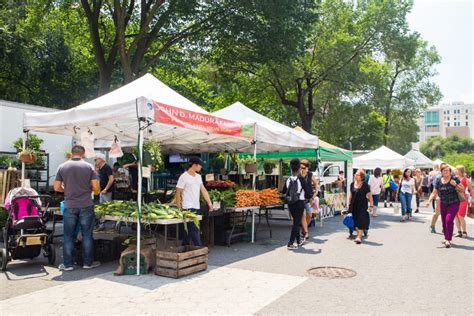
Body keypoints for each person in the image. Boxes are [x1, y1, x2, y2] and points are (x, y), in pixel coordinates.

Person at [54, 145, 101, 271]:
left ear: (71, 153)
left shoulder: (62, 167)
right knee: (87, 235)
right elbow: (96, 187)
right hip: (86, 204)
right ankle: (87, 263)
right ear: (83, 154)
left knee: (68, 235)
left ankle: (68, 264)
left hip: (69, 205)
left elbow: (56, 187)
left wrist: (67, 191)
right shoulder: (89, 167)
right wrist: (88, 190)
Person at [175, 157, 213, 246]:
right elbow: (178, 192)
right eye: (200, 165)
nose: (201, 167)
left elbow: (203, 190)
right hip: (187, 207)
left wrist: (209, 203)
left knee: (189, 230)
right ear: (195, 165)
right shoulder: (184, 177)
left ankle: (184, 248)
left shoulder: (198, 177)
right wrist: (178, 207)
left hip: (196, 206)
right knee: (194, 229)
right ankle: (200, 248)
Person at [426, 163, 464, 248]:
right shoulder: (439, 180)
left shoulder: (454, 178)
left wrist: (455, 185)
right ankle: (446, 237)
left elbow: (462, 189)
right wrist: (429, 201)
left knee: (449, 220)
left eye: (447, 170)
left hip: (454, 203)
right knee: (444, 221)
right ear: (441, 172)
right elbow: (434, 192)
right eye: (444, 170)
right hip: (443, 203)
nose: (446, 172)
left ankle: (448, 239)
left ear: (450, 172)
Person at [282, 158, 312, 249]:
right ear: (299, 168)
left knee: (296, 221)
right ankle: (290, 243)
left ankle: (298, 241)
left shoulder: (288, 179)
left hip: (290, 203)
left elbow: (283, 191)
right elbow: (308, 193)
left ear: (291, 168)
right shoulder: (301, 179)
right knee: (296, 223)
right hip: (299, 203)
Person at [348, 169, 374, 244]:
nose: (355, 176)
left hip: (362, 206)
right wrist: (349, 204)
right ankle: (358, 233)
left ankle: (359, 236)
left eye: (357, 175)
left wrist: (371, 206)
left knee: (362, 220)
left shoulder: (365, 185)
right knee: (355, 220)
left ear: (362, 177)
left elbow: (370, 196)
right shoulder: (352, 184)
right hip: (353, 205)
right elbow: (351, 195)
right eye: (355, 174)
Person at [300, 159, 317, 241]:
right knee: (303, 215)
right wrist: (302, 175)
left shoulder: (310, 174)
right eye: (301, 167)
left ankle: (304, 230)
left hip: (308, 198)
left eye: (303, 167)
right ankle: (306, 232)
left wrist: (315, 193)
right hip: (300, 198)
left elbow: (316, 183)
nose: (302, 169)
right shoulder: (299, 175)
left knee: (309, 215)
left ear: (307, 168)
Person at [454, 165, 473, 238]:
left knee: (460, 216)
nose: (455, 171)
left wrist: (472, 198)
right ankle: (459, 231)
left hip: (462, 199)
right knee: (455, 216)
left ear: (460, 171)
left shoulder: (466, 179)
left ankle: (464, 231)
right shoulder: (454, 178)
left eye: (457, 169)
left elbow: (471, 189)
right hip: (454, 199)